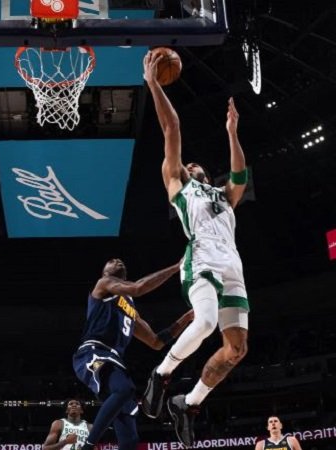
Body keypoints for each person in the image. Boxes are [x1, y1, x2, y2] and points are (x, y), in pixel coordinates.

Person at [140, 49, 250, 448]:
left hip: (233, 265)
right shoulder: (179, 185)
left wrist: (232, 133)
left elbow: (239, 175)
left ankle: (187, 403)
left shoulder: (223, 195)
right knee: (203, 323)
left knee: (236, 350)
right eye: (190, 165)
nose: (193, 166)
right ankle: (161, 373)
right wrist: (153, 84)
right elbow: (172, 129)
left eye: (199, 165)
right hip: (201, 257)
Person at [73, 258, 194, 450]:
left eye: (121, 261)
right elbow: (138, 288)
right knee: (124, 389)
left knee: (129, 438)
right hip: (93, 351)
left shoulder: (131, 309)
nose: (118, 261)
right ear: (105, 272)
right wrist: (177, 267)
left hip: (114, 360)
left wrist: (186, 318)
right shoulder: (104, 284)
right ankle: (87, 445)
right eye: (111, 261)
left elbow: (156, 342)